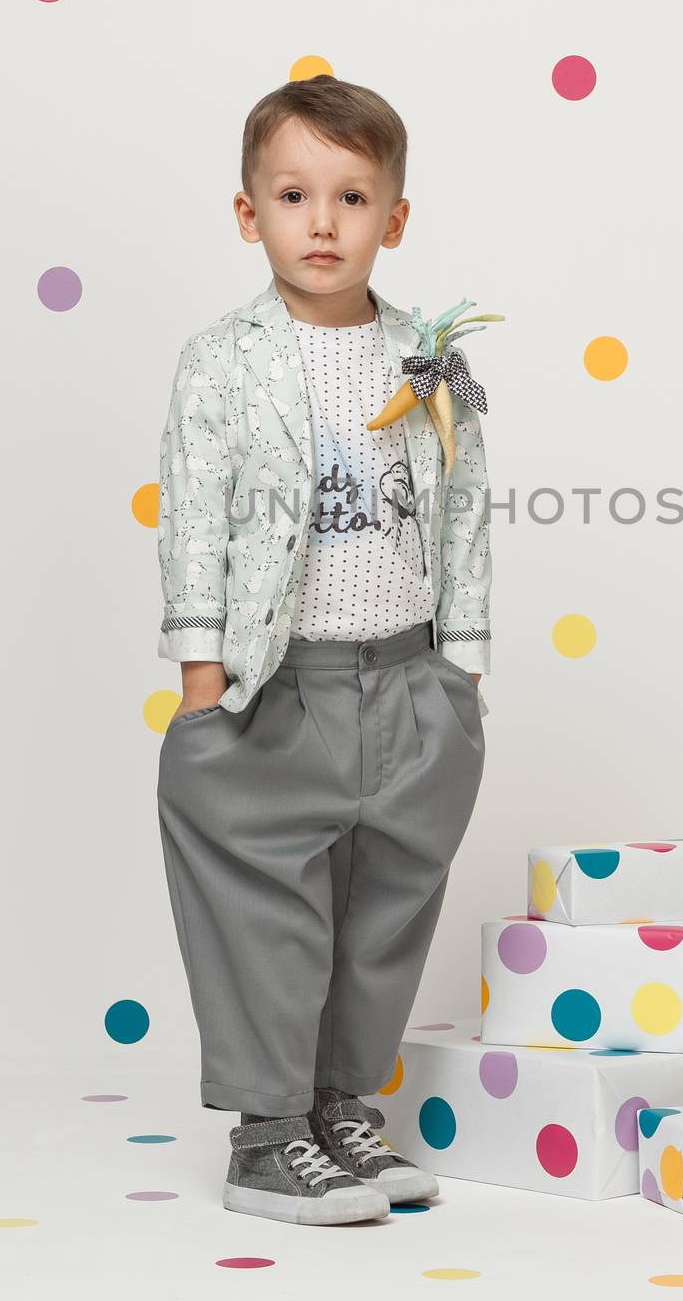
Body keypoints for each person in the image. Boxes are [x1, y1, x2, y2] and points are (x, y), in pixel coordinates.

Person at [154, 73, 492, 1226]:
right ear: (249, 213)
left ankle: (343, 1105)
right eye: (293, 195)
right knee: (267, 909)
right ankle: (266, 1132)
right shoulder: (224, 358)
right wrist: (204, 673)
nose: (322, 223)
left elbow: (461, 510)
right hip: (274, 683)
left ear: (393, 218)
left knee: (385, 907)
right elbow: (194, 510)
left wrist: (464, 661)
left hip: (407, 678)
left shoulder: (425, 358)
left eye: (352, 197)